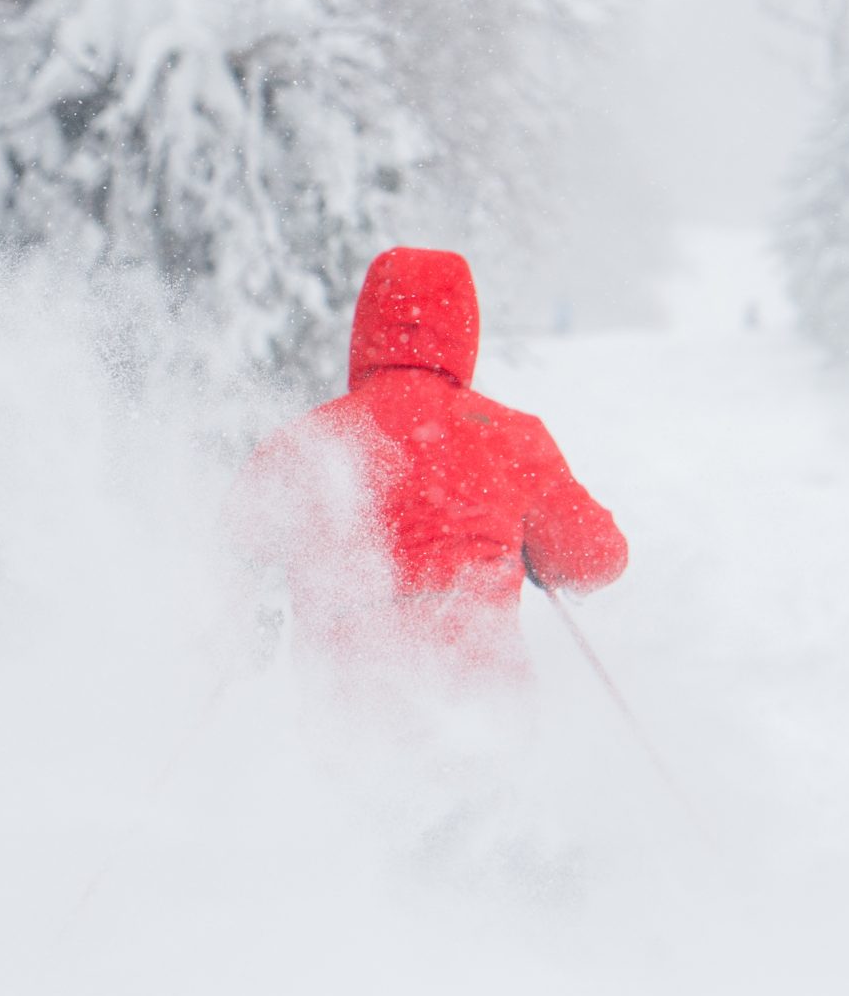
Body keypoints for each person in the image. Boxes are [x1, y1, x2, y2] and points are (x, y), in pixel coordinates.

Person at [228, 246, 627, 682]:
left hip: (347, 700)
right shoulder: (510, 437)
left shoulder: (309, 442)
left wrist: (254, 598)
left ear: (367, 325)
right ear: (464, 329)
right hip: (482, 694)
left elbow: (234, 549)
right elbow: (597, 557)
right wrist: (541, 554)